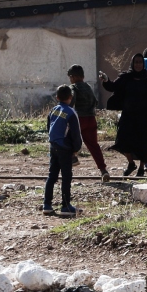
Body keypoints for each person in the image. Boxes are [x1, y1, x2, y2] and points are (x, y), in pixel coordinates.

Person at [101, 53, 147, 177]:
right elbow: (113, 87)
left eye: (140, 62)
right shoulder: (126, 77)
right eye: (136, 62)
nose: (138, 64)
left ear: (143, 64)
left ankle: (141, 169)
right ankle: (131, 163)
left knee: (144, 142)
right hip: (128, 116)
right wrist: (106, 80)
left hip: (145, 117)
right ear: (132, 64)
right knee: (122, 140)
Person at [43, 85, 83, 216]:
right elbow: (75, 133)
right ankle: (65, 206)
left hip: (53, 145)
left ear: (57, 97)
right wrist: (76, 149)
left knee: (52, 175)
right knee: (66, 176)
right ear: (71, 98)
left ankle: (47, 204)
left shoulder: (54, 110)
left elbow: (49, 126)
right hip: (64, 148)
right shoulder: (71, 113)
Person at [68, 65, 109, 183]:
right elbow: (95, 101)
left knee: (68, 139)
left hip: (79, 120)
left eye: (70, 77)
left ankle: (73, 158)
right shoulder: (88, 87)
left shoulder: (73, 87)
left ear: (74, 77)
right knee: (94, 146)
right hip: (91, 119)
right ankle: (103, 170)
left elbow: (72, 102)